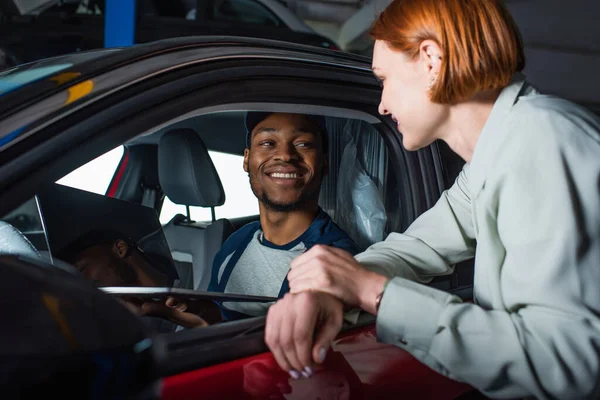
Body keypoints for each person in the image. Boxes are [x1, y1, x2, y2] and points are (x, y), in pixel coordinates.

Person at [263, 0, 600, 398]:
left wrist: (375, 292)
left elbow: (566, 362)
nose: (382, 104)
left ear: (431, 60)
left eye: (385, 79)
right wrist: (327, 287)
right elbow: (416, 247)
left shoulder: (541, 141)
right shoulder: (492, 161)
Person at [207, 112, 358, 321]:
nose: (285, 155)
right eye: (268, 143)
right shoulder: (236, 242)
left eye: (303, 144)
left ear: (324, 163)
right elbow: (217, 322)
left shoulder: (333, 260)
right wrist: (188, 312)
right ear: (247, 159)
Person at [59, 229, 217, 329]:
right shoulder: (116, 315)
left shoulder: (193, 285)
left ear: (120, 249)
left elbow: (222, 322)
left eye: (81, 269)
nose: (79, 280)